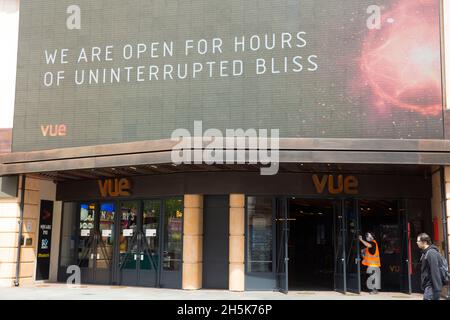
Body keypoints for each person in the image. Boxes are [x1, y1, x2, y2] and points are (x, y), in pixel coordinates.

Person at [416, 233, 442, 300]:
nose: (417, 243)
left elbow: (435, 270)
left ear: (424, 242)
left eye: (418, 241)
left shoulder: (431, 253)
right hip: (429, 287)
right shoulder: (426, 252)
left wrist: (437, 289)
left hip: (432, 287)